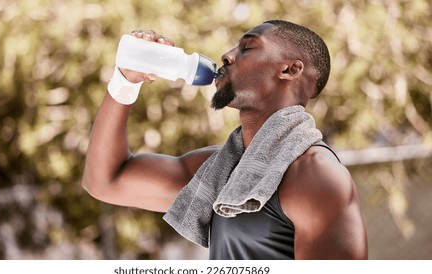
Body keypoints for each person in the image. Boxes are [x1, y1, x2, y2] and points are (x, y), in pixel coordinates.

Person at [82, 20, 368, 260]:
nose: (227, 55)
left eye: (248, 47)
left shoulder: (315, 175)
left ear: (289, 70)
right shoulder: (219, 171)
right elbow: (106, 181)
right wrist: (125, 81)